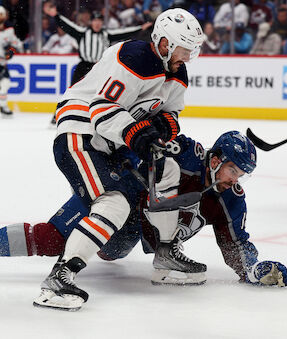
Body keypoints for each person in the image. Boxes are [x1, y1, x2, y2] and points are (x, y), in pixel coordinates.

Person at [0, 131, 287, 298]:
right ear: (215, 160)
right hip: (118, 193)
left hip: (135, 229)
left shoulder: (230, 199)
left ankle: (161, 253)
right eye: (233, 170)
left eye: (241, 175)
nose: (236, 179)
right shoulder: (185, 153)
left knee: (112, 251)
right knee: (52, 238)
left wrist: (252, 269)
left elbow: (235, 242)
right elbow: (144, 150)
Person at [35, 8, 204, 311]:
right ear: (164, 43)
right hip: (82, 133)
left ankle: (165, 253)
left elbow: (172, 114)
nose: (188, 57)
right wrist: (140, 135)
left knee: (168, 170)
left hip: (114, 141)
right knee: (114, 204)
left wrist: (160, 129)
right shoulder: (133, 56)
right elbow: (101, 110)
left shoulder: (177, 71)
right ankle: (59, 278)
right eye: (184, 49)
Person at [45, 5, 152, 124]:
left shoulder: (106, 34)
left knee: (99, 92)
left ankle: (93, 114)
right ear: (91, 22)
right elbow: (68, 26)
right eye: (95, 20)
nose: (97, 23)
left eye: (99, 21)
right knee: (72, 91)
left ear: (102, 22)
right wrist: (56, 16)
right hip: (83, 66)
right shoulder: (82, 33)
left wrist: (140, 28)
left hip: (99, 67)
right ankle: (58, 114)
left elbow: (124, 33)